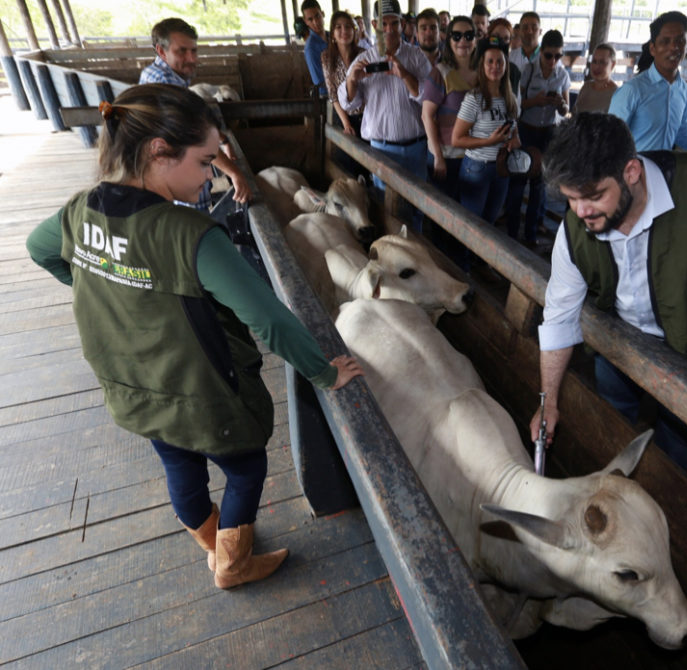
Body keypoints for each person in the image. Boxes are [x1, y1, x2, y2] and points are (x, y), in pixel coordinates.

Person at [25, 84, 364, 589]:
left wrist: (107, 290)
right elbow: (269, 320)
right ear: (160, 151)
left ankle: (213, 541)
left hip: (134, 388)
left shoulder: (81, 210)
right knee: (245, 469)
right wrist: (323, 372)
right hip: (201, 392)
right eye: (205, 162)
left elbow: (39, 248)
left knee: (178, 463)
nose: (211, 175)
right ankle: (232, 563)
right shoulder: (191, 235)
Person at [529, 113, 687, 468]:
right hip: (620, 342)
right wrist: (549, 401)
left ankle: (668, 474)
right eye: (571, 199)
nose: (581, 211)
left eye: (594, 195)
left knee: (681, 439)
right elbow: (559, 315)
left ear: (631, 172)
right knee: (613, 414)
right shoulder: (577, 224)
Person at [139, 18, 250, 208]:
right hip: (178, 185)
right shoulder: (165, 83)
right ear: (161, 51)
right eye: (182, 51)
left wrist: (223, 140)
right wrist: (234, 173)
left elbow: (192, 122)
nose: (191, 59)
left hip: (170, 179)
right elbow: (194, 137)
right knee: (195, 222)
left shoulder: (162, 75)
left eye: (194, 50)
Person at [340, 0, 432, 230]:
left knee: (418, 207)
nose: (389, 29)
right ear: (374, 25)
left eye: (394, 23)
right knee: (387, 207)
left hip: (417, 147)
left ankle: (416, 244)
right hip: (382, 149)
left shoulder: (416, 57)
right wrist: (352, 81)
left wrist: (405, 75)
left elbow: (430, 98)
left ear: (402, 24)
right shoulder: (364, 60)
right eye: (384, 24)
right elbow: (349, 104)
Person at [505, 29, 570, 247]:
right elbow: (517, 104)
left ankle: (531, 235)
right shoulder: (528, 70)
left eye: (558, 56)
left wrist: (560, 104)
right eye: (549, 55)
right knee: (517, 182)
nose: (553, 61)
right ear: (541, 52)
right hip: (526, 130)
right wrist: (536, 101)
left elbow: (566, 111)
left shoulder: (562, 75)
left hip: (548, 133)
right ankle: (511, 233)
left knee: (539, 186)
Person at [453, 38, 521, 233]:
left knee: (490, 223)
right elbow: (456, 139)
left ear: (506, 66)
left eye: (500, 61)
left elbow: (515, 131)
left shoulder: (510, 98)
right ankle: (463, 254)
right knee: (472, 226)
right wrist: (489, 141)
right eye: (490, 61)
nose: (495, 66)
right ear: (482, 66)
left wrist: (515, 140)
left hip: (502, 167)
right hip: (477, 168)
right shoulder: (474, 98)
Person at [608, 12, 687, 152]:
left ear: (686, 46)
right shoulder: (632, 90)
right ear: (652, 48)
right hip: (633, 166)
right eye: (665, 41)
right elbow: (610, 141)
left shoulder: (684, 90)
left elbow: (683, 135)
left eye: (680, 41)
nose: (674, 47)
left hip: (664, 166)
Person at [423, 15, 477, 202]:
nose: (463, 41)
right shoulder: (440, 72)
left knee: (468, 210)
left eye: (469, 35)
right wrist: (438, 156)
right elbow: (427, 116)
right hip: (447, 156)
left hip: (474, 155)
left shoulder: (483, 72)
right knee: (444, 210)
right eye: (457, 36)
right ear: (449, 40)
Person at [323, 11, 365, 137]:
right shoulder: (327, 57)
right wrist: (346, 124)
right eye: (339, 27)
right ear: (333, 34)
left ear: (354, 30)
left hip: (366, 116)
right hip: (342, 117)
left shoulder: (363, 54)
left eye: (348, 26)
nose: (344, 31)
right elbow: (333, 94)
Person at [573, 43, 617, 114]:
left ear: (613, 65)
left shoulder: (616, 94)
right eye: (594, 61)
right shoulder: (586, 87)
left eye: (602, 62)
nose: (596, 66)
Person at [301, 0, 329, 96]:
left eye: (317, 16)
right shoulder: (311, 48)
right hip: (328, 97)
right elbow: (320, 84)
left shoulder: (333, 37)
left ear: (323, 14)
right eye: (310, 19)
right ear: (306, 22)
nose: (316, 22)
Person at [487, 18, 520, 92]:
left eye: (506, 39)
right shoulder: (477, 66)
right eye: (496, 38)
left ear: (510, 42)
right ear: (488, 37)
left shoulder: (513, 71)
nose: (500, 43)